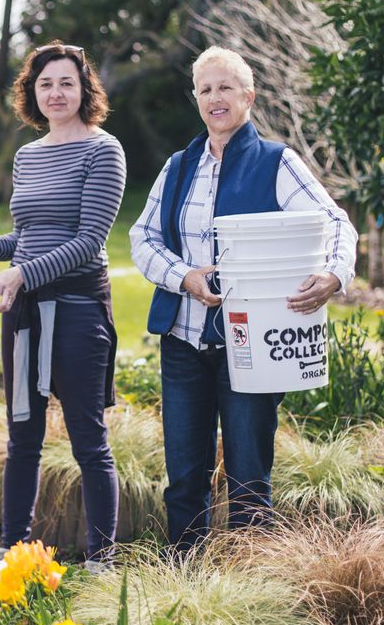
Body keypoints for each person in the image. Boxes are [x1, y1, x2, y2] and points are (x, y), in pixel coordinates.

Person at [129, 46, 357, 550]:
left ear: (248, 96)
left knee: (250, 481)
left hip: (250, 348)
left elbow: (335, 222)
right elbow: (142, 239)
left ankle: (251, 593)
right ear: (196, 99)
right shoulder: (178, 167)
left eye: (226, 87)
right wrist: (184, 276)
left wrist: (334, 275)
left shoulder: (277, 162)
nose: (215, 98)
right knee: (185, 479)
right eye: (206, 89)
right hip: (184, 344)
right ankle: (183, 588)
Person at [0, 41, 126, 567]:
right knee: (22, 437)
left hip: (77, 309)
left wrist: (21, 273)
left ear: (84, 89)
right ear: (32, 92)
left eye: (66, 82)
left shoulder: (103, 149)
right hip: (24, 312)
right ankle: (13, 556)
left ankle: (101, 561)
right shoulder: (28, 154)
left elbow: (89, 240)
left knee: (89, 439)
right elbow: (26, 235)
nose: (56, 92)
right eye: (45, 83)